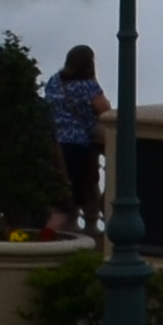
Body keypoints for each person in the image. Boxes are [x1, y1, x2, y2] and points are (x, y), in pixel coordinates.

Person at [50, 42, 110, 219]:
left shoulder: (55, 81)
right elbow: (105, 112)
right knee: (69, 201)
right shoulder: (88, 87)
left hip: (52, 141)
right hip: (75, 146)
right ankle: (53, 238)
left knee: (55, 196)